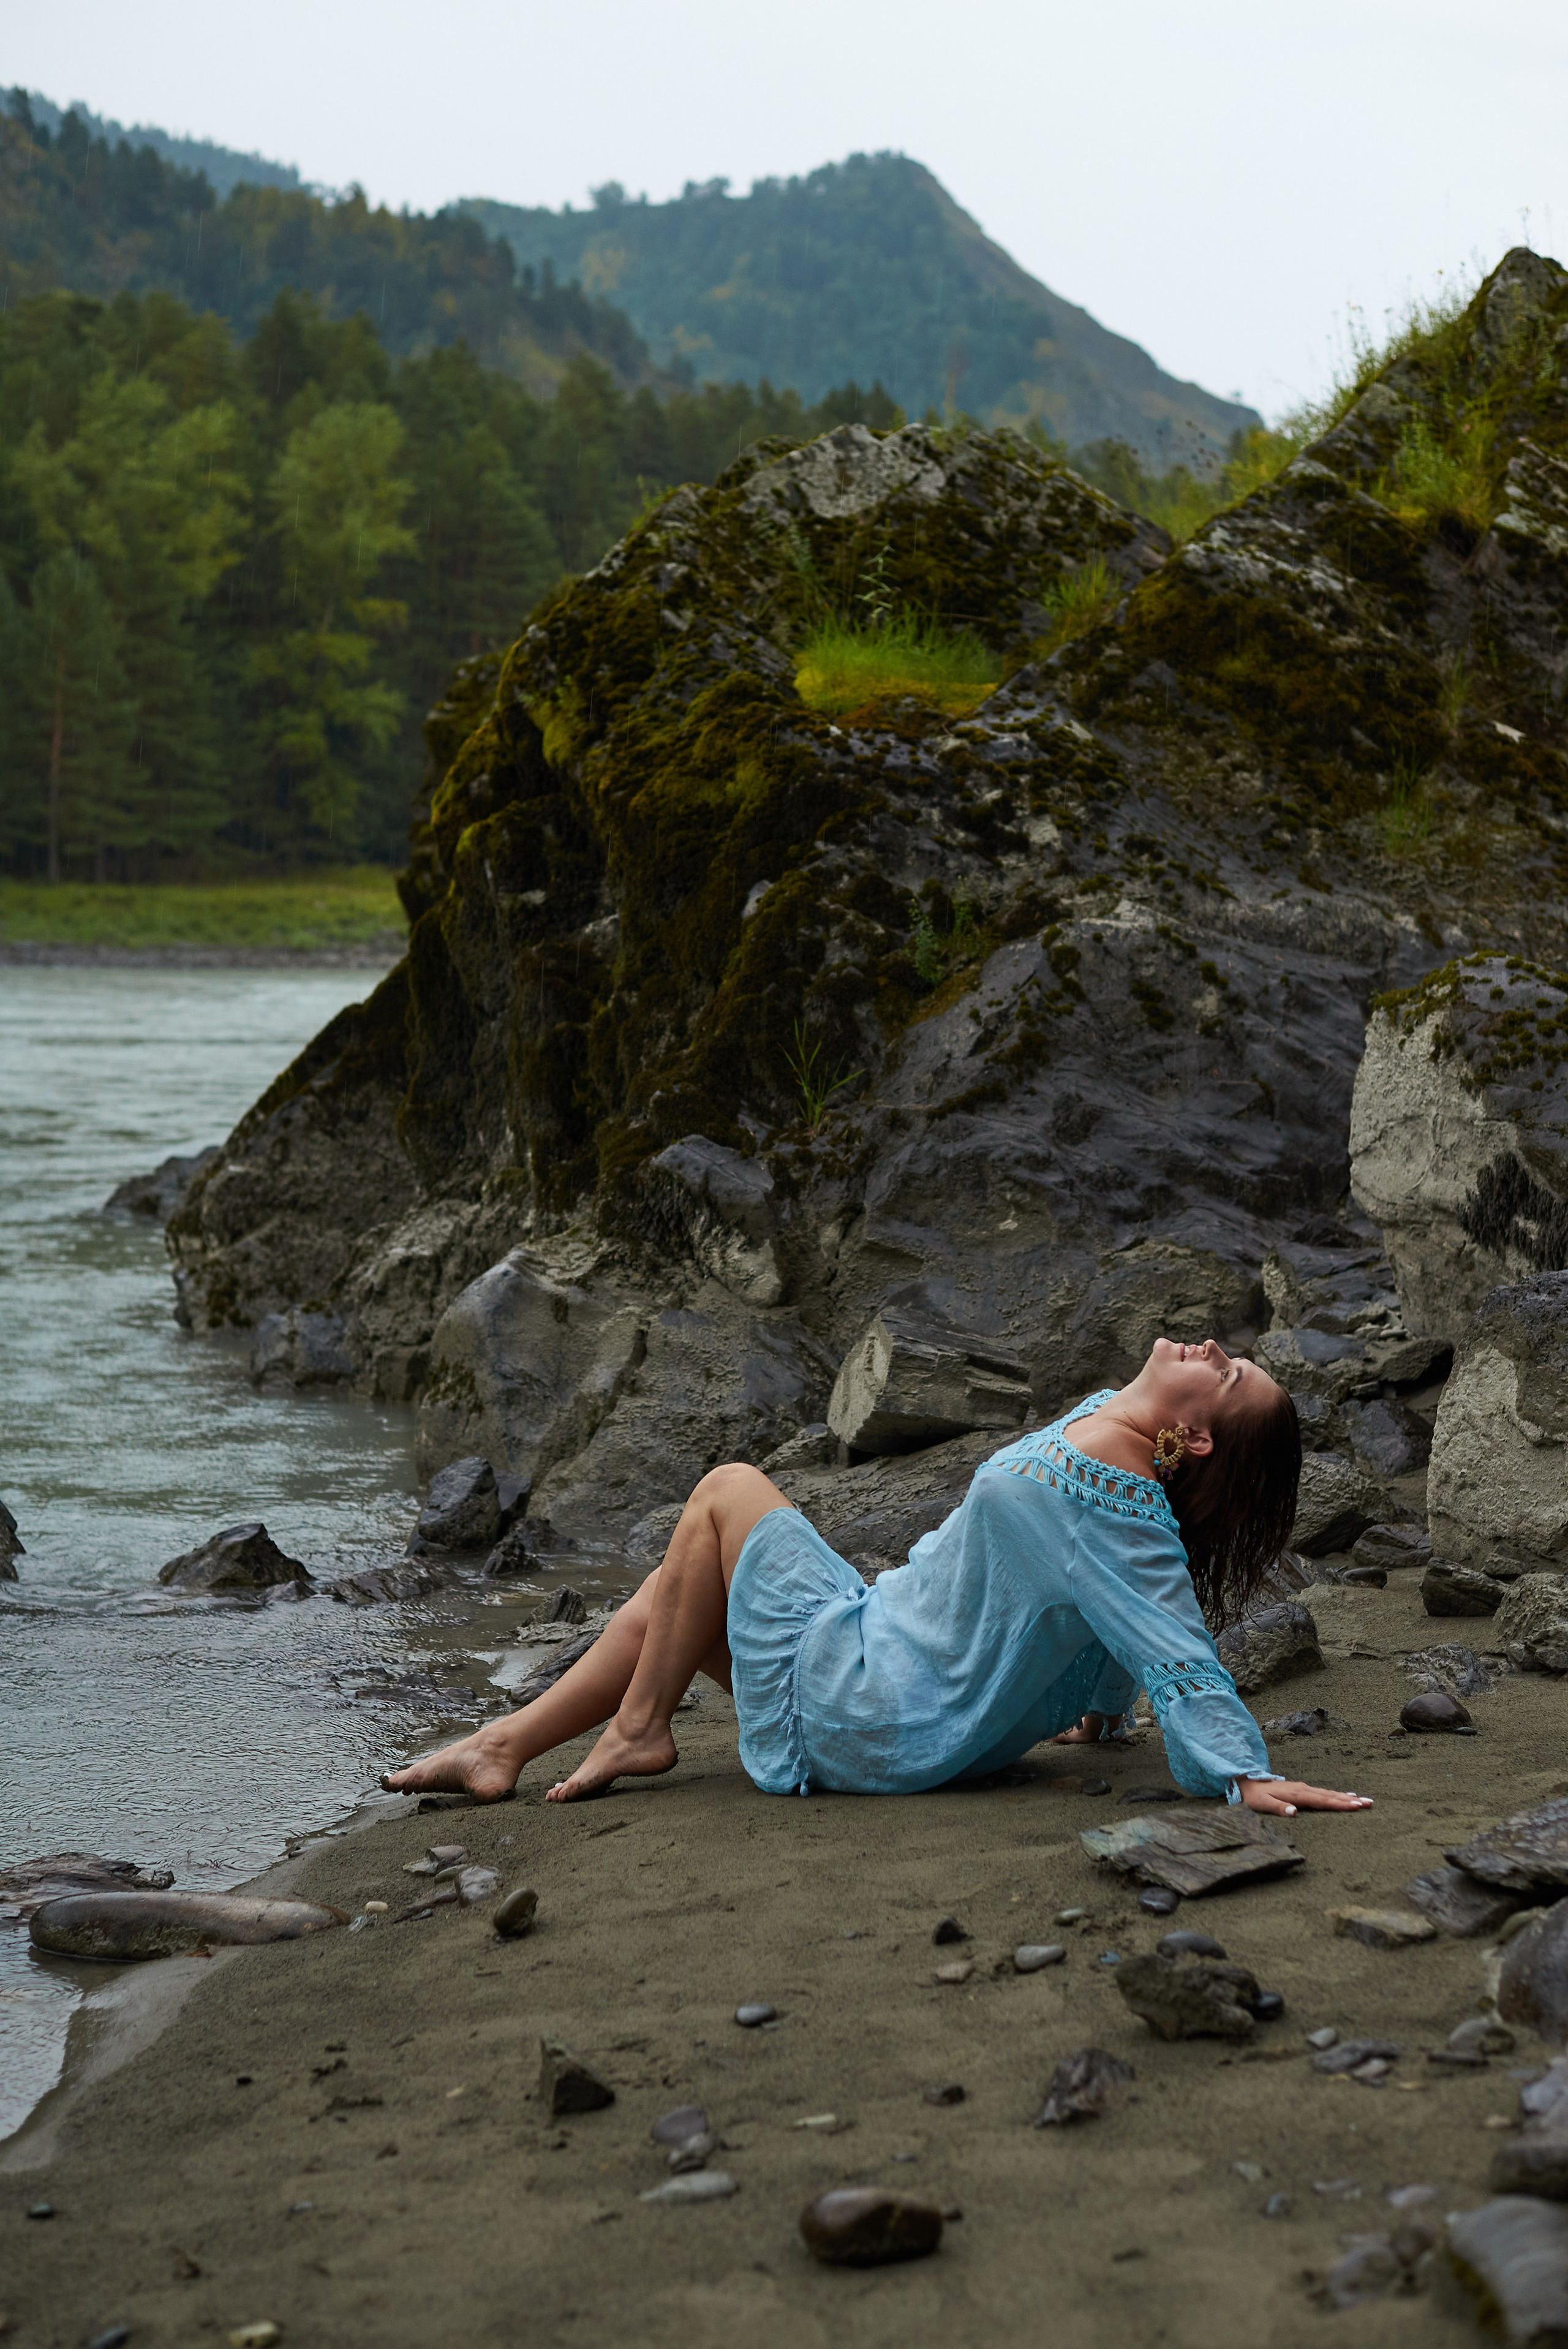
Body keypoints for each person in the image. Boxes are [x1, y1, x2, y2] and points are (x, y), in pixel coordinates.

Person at [382, 1337, 1372, 1820]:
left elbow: (1166, 1634)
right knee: (678, 1592)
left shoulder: (1116, 1498)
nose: (1215, 1349)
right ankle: (500, 1748)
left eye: (1231, 1372)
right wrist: (1102, 1712)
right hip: (886, 1657)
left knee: (727, 1490)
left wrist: (1243, 1775)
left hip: (881, 1702)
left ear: (1195, 1435)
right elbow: (1102, 1610)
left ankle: (639, 1730)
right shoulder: (1111, 1425)